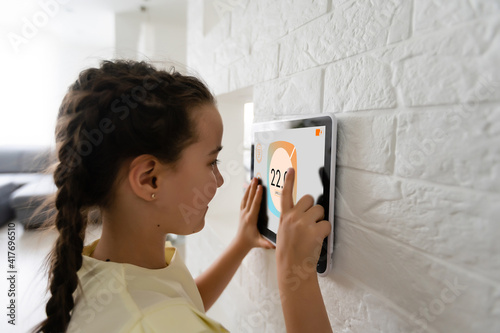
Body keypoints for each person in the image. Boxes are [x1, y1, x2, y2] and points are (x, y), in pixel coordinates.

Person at [32, 60, 332, 333]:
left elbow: (182, 303)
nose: (220, 178)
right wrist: (297, 276)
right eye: (211, 161)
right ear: (150, 179)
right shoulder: (153, 323)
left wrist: (240, 244)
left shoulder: (97, 268)